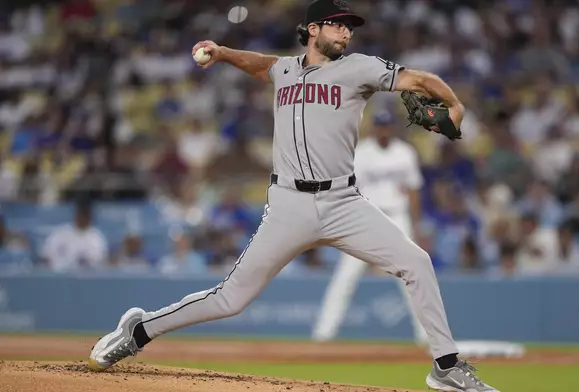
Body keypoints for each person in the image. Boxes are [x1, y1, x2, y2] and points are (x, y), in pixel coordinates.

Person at [88, 1, 498, 391]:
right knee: (230, 299)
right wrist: (223, 52)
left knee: (416, 262)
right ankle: (139, 330)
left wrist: (455, 104)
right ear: (313, 29)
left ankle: (446, 367)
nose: (346, 32)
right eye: (338, 24)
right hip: (288, 205)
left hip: (343, 204)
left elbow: (420, 80)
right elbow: (262, 65)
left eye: (349, 27)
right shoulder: (284, 70)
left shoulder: (360, 68)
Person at [311, 110, 429, 347]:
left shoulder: (404, 153)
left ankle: (426, 337)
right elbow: (349, 189)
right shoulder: (362, 152)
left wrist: (416, 226)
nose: (383, 130)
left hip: (397, 217)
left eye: (386, 126)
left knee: (411, 278)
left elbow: (414, 189)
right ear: (374, 127)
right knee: (345, 278)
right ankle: (323, 334)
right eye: (379, 126)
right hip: (367, 219)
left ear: (392, 128)